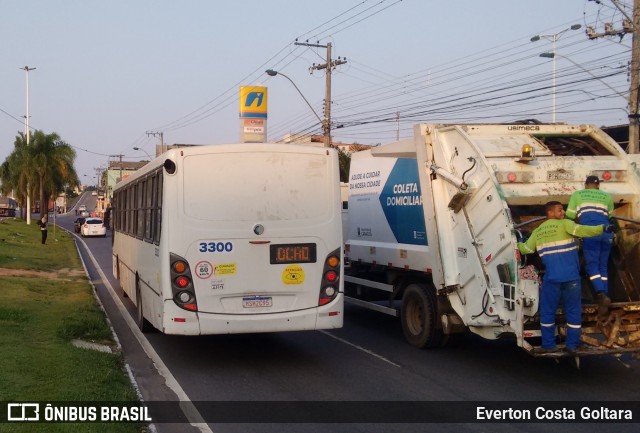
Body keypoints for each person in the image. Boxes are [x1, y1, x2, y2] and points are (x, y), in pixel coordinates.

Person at [517, 201, 612, 354]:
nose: (563, 213)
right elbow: (583, 230)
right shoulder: (565, 224)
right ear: (550, 213)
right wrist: (602, 228)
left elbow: (526, 249)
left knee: (547, 313)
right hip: (571, 279)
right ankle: (572, 345)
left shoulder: (538, 231)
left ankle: (548, 345)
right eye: (560, 210)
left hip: (551, 279)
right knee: (573, 312)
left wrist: (517, 243)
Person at [566, 175, 615, 307]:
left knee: (591, 265)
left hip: (590, 232)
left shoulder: (577, 195)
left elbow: (569, 216)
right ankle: (605, 293)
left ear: (585, 185)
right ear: (598, 185)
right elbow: (610, 216)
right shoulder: (607, 196)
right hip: (607, 233)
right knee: (603, 265)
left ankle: (601, 293)